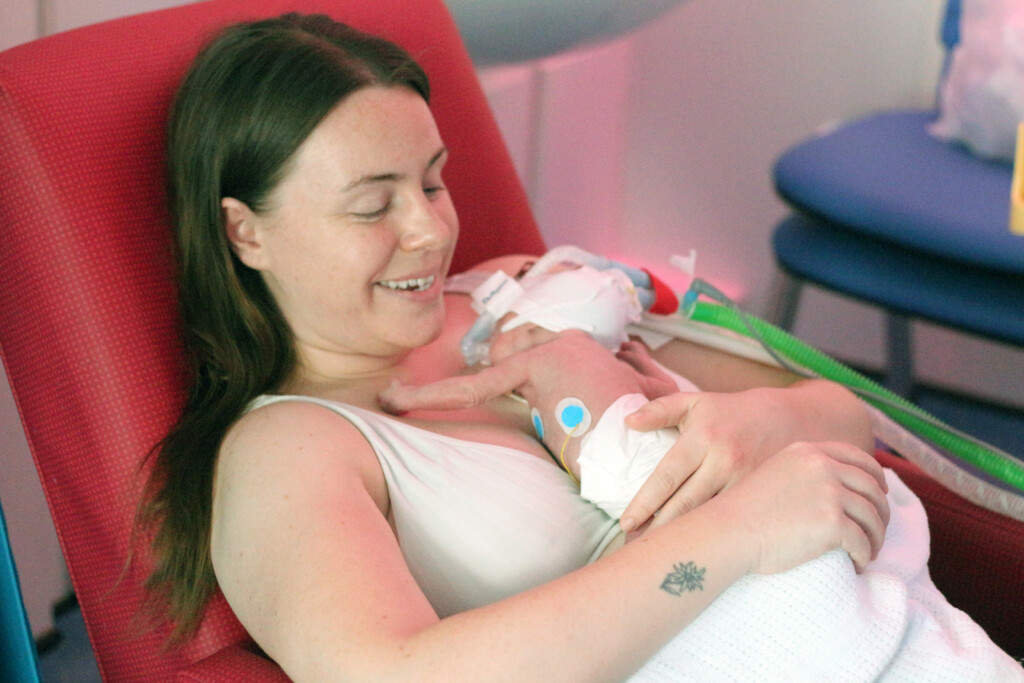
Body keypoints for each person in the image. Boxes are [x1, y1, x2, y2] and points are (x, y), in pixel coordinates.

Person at [136, 13, 954, 681]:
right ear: (246, 232)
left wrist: (755, 430)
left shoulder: (514, 293)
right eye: (370, 205)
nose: (430, 230)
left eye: (431, 181)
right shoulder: (286, 451)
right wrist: (737, 529)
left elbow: (845, 418)